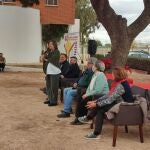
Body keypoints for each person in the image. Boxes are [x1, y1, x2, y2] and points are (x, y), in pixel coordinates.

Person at [78, 67, 134, 139]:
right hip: (119, 103)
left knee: (100, 108)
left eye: (113, 74)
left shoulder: (121, 85)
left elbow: (110, 99)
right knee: (100, 108)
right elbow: (109, 95)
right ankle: (94, 130)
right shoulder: (119, 82)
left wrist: (96, 104)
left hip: (125, 108)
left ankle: (90, 121)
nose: (112, 75)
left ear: (117, 75)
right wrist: (96, 101)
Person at [70, 61, 109, 125]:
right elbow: (89, 87)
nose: (92, 67)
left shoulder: (101, 75)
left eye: (93, 66)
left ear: (96, 67)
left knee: (84, 100)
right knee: (80, 97)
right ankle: (78, 118)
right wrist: (86, 93)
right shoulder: (95, 74)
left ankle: (81, 119)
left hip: (100, 95)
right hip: (93, 93)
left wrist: (87, 94)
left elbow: (98, 90)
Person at [43, 40, 60, 106]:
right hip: (49, 71)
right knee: (48, 86)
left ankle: (54, 101)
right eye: (49, 44)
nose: (49, 45)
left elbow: (51, 59)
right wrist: (44, 57)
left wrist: (45, 59)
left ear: (54, 45)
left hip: (55, 72)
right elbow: (45, 57)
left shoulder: (57, 52)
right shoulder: (49, 52)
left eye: (51, 44)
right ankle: (50, 99)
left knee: (54, 87)